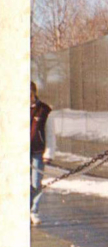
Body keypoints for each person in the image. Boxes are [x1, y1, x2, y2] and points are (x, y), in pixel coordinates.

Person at [30, 81, 56, 226]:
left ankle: (34, 211)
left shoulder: (44, 110)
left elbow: (50, 134)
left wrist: (49, 152)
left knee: (36, 182)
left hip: (38, 152)